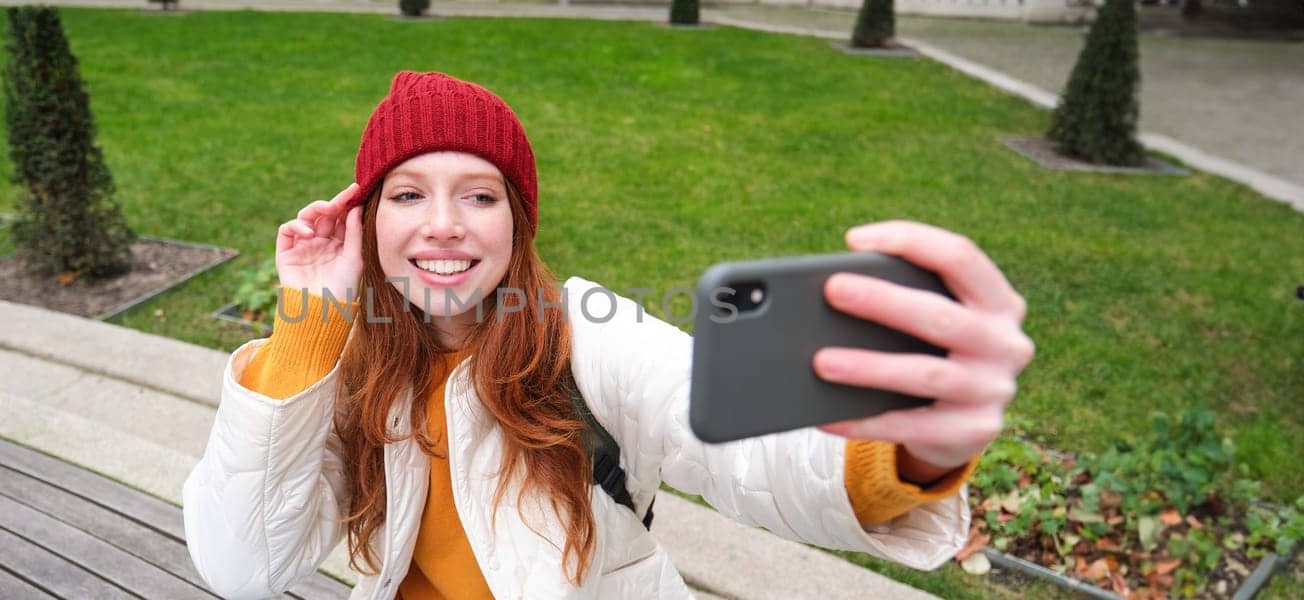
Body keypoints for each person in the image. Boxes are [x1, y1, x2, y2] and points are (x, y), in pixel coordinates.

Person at [182, 71, 1034, 600]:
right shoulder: (352, 365)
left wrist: (901, 453)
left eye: (479, 195)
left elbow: (736, 438)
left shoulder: (583, 337)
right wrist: (308, 321)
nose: (442, 225)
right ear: (369, 225)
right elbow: (242, 565)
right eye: (407, 195)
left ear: (518, 222)